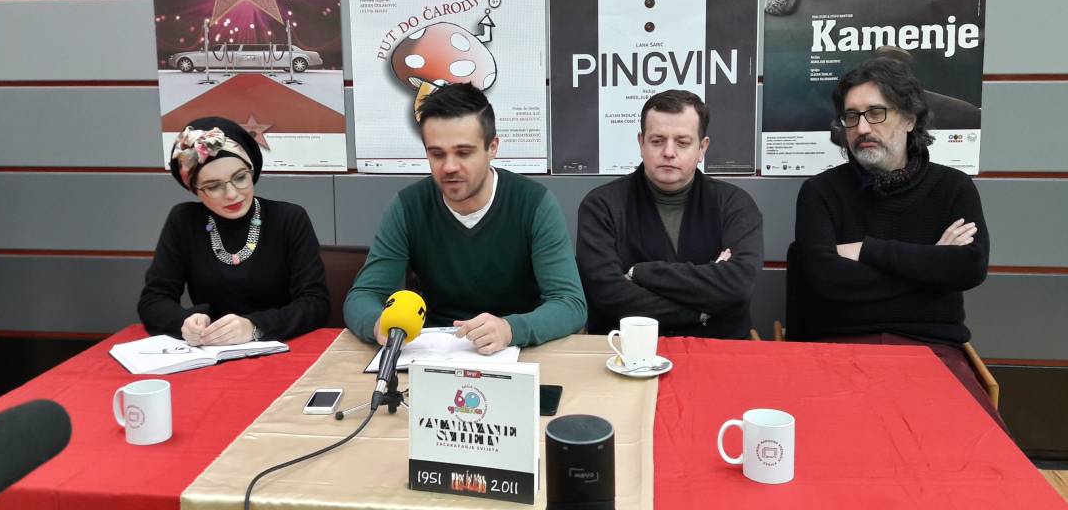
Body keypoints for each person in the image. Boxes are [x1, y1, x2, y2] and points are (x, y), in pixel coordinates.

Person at [793, 57, 1003, 427]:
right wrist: (931, 265)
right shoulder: (820, 193)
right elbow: (825, 279)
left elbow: (969, 268)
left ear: (909, 118)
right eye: (851, 116)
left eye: (876, 113)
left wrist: (868, 250)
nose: (862, 127)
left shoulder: (953, 187)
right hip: (838, 348)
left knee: (968, 451)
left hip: (933, 352)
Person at [344, 83, 586, 353]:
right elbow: (363, 295)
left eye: (463, 152)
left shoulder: (533, 203)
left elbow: (570, 303)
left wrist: (512, 329)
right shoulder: (409, 205)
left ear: (492, 147)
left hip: (517, 350)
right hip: (432, 350)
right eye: (437, 154)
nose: (449, 167)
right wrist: (378, 324)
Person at [576, 89, 764, 338]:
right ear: (641, 143)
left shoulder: (735, 205)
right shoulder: (602, 206)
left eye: (682, 142)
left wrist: (639, 273)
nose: (668, 152)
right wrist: (701, 311)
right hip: (625, 350)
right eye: (657, 141)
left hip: (719, 349)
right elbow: (607, 295)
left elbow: (738, 286)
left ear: (702, 148)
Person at [138, 117, 329, 346]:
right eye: (213, 186)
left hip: (282, 347)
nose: (231, 194)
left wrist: (254, 326)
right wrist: (185, 322)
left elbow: (315, 303)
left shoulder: (289, 219)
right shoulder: (184, 220)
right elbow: (153, 300)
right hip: (209, 351)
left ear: (252, 171)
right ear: (194, 189)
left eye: (240, 178)